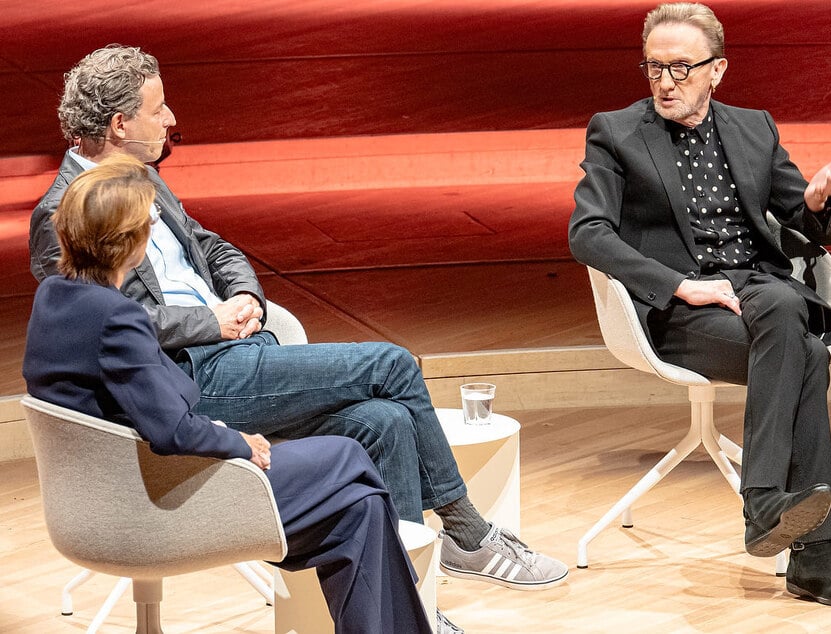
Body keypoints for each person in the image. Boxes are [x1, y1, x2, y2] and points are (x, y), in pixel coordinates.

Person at [29, 45, 568, 633]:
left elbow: (211, 247)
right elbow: (101, 322)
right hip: (194, 378)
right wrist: (213, 324)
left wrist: (246, 299)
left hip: (238, 348)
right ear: (120, 123)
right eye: (159, 109)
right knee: (392, 364)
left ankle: (411, 605)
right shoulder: (65, 209)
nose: (172, 119)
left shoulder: (143, 177)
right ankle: (467, 532)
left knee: (384, 420)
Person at [22, 154, 432, 633]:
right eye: (149, 221)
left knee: (359, 511)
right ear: (130, 243)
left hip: (103, 497)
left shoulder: (54, 298)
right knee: (348, 455)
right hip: (161, 500)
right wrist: (240, 442)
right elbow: (171, 429)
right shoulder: (117, 317)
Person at [569, 2, 831, 610]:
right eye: (654, 67)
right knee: (799, 334)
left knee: (794, 329)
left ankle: (790, 532)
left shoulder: (753, 128)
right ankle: (804, 545)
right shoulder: (616, 131)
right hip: (683, 311)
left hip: (758, 297)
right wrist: (679, 285)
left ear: (718, 70)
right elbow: (588, 233)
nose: (665, 82)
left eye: (682, 68)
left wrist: (816, 203)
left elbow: (809, 221)